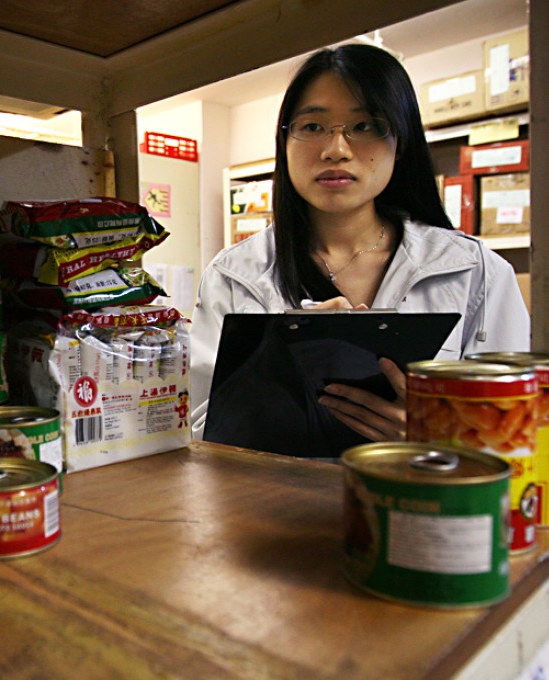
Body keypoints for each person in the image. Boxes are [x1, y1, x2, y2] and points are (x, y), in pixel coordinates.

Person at [190, 43, 530, 457]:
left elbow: (521, 435)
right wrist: (272, 369)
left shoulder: (475, 272)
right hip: (271, 513)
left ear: (399, 142)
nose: (337, 149)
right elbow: (198, 435)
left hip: (420, 512)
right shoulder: (233, 275)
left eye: (366, 126)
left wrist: (434, 439)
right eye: (313, 127)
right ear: (285, 141)